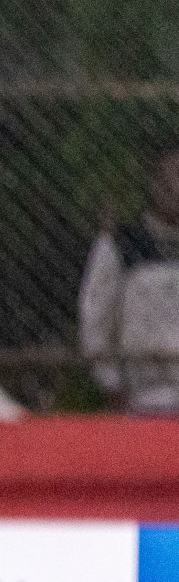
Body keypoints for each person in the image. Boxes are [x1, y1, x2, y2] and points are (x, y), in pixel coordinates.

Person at [80, 150, 179, 413]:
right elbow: (96, 316)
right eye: (169, 180)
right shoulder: (122, 246)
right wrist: (111, 384)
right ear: (154, 183)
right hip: (142, 399)